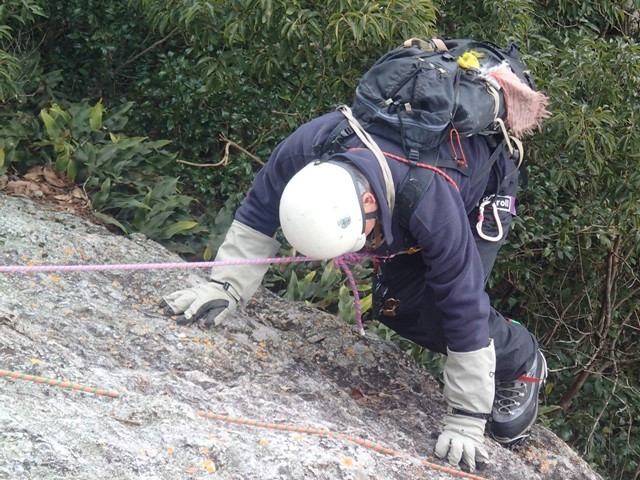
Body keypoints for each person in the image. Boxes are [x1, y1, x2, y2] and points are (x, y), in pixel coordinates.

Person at [161, 92, 547, 474]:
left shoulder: (432, 204)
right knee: (393, 307)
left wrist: (467, 417)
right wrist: (225, 286)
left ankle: (521, 358)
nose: (368, 248)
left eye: (370, 237)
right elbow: (259, 210)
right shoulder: (308, 148)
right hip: (407, 182)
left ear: (368, 204)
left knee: (434, 310)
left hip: (479, 187)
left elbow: (463, 300)